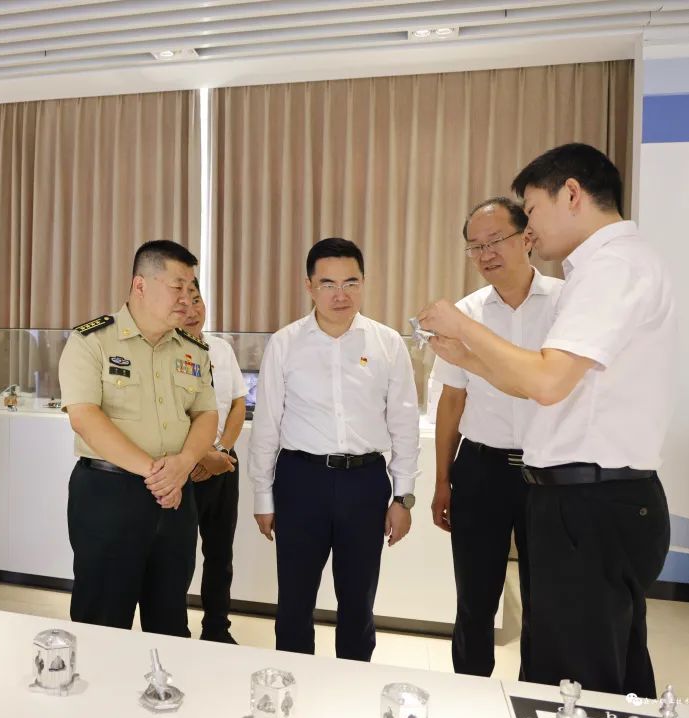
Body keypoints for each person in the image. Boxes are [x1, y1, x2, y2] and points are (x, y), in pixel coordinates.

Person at [418, 143, 674, 697]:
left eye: (530, 210)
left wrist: (464, 330)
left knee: (576, 677)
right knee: (587, 663)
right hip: (568, 492)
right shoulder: (608, 267)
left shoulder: (609, 269)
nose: (530, 226)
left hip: (591, 499)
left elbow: (545, 382)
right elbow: (538, 384)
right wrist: (469, 357)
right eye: (476, 246)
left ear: (572, 194)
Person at [248, 237, 419, 661]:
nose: (340, 295)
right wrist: (262, 496)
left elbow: (404, 424)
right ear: (309, 286)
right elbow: (267, 425)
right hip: (300, 480)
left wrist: (403, 497)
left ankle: (353, 682)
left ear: (363, 282)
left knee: (358, 600)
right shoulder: (285, 343)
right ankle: (292, 680)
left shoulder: (386, 343)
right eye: (328, 284)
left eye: (350, 283)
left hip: (365, 482)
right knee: (294, 599)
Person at [429, 197, 563, 678]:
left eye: (495, 241)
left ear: (527, 238)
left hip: (550, 470)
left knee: (547, 599)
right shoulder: (465, 313)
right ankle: (470, 693)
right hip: (481, 468)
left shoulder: (567, 303)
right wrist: (442, 480)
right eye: (475, 246)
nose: (485, 254)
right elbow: (452, 401)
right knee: (475, 597)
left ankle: (536, 693)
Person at [59, 240, 218, 637]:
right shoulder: (92, 340)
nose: (186, 297)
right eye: (177, 286)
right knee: (102, 620)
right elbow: (84, 418)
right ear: (140, 285)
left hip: (176, 496)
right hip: (109, 494)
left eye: (191, 287)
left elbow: (206, 414)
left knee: (169, 618)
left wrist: (183, 464)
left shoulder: (192, 348)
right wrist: (157, 473)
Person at [182, 279, 247, 644]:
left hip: (224, 463)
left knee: (220, 554)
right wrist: (200, 456)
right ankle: (174, 630)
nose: (193, 310)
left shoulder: (221, 349)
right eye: (184, 302)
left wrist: (221, 451)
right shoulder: (164, 351)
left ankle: (217, 629)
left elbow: (237, 402)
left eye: (198, 300)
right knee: (177, 557)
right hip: (183, 468)